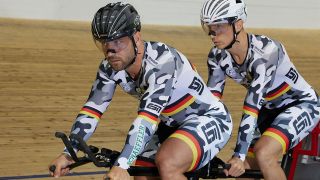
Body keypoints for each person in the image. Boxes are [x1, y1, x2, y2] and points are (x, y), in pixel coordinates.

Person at [49, 2, 233, 180]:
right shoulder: (109, 68)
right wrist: (68, 152)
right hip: (171, 125)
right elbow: (91, 111)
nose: (110, 52)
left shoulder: (163, 62)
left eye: (118, 43)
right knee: (141, 171)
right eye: (104, 44)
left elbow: (146, 119)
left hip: (210, 119)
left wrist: (121, 164)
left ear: (136, 38)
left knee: (167, 163)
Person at [200, 0, 320, 179]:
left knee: (264, 154)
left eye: (219, 26)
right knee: (245, 170)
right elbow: (211, 103)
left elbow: (251, 107)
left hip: (301, 104)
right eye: (209, 27)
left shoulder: (266, 52)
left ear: (238, 24)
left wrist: (238, 155)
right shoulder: (217, 56)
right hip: (268, 109)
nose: (212, 33)